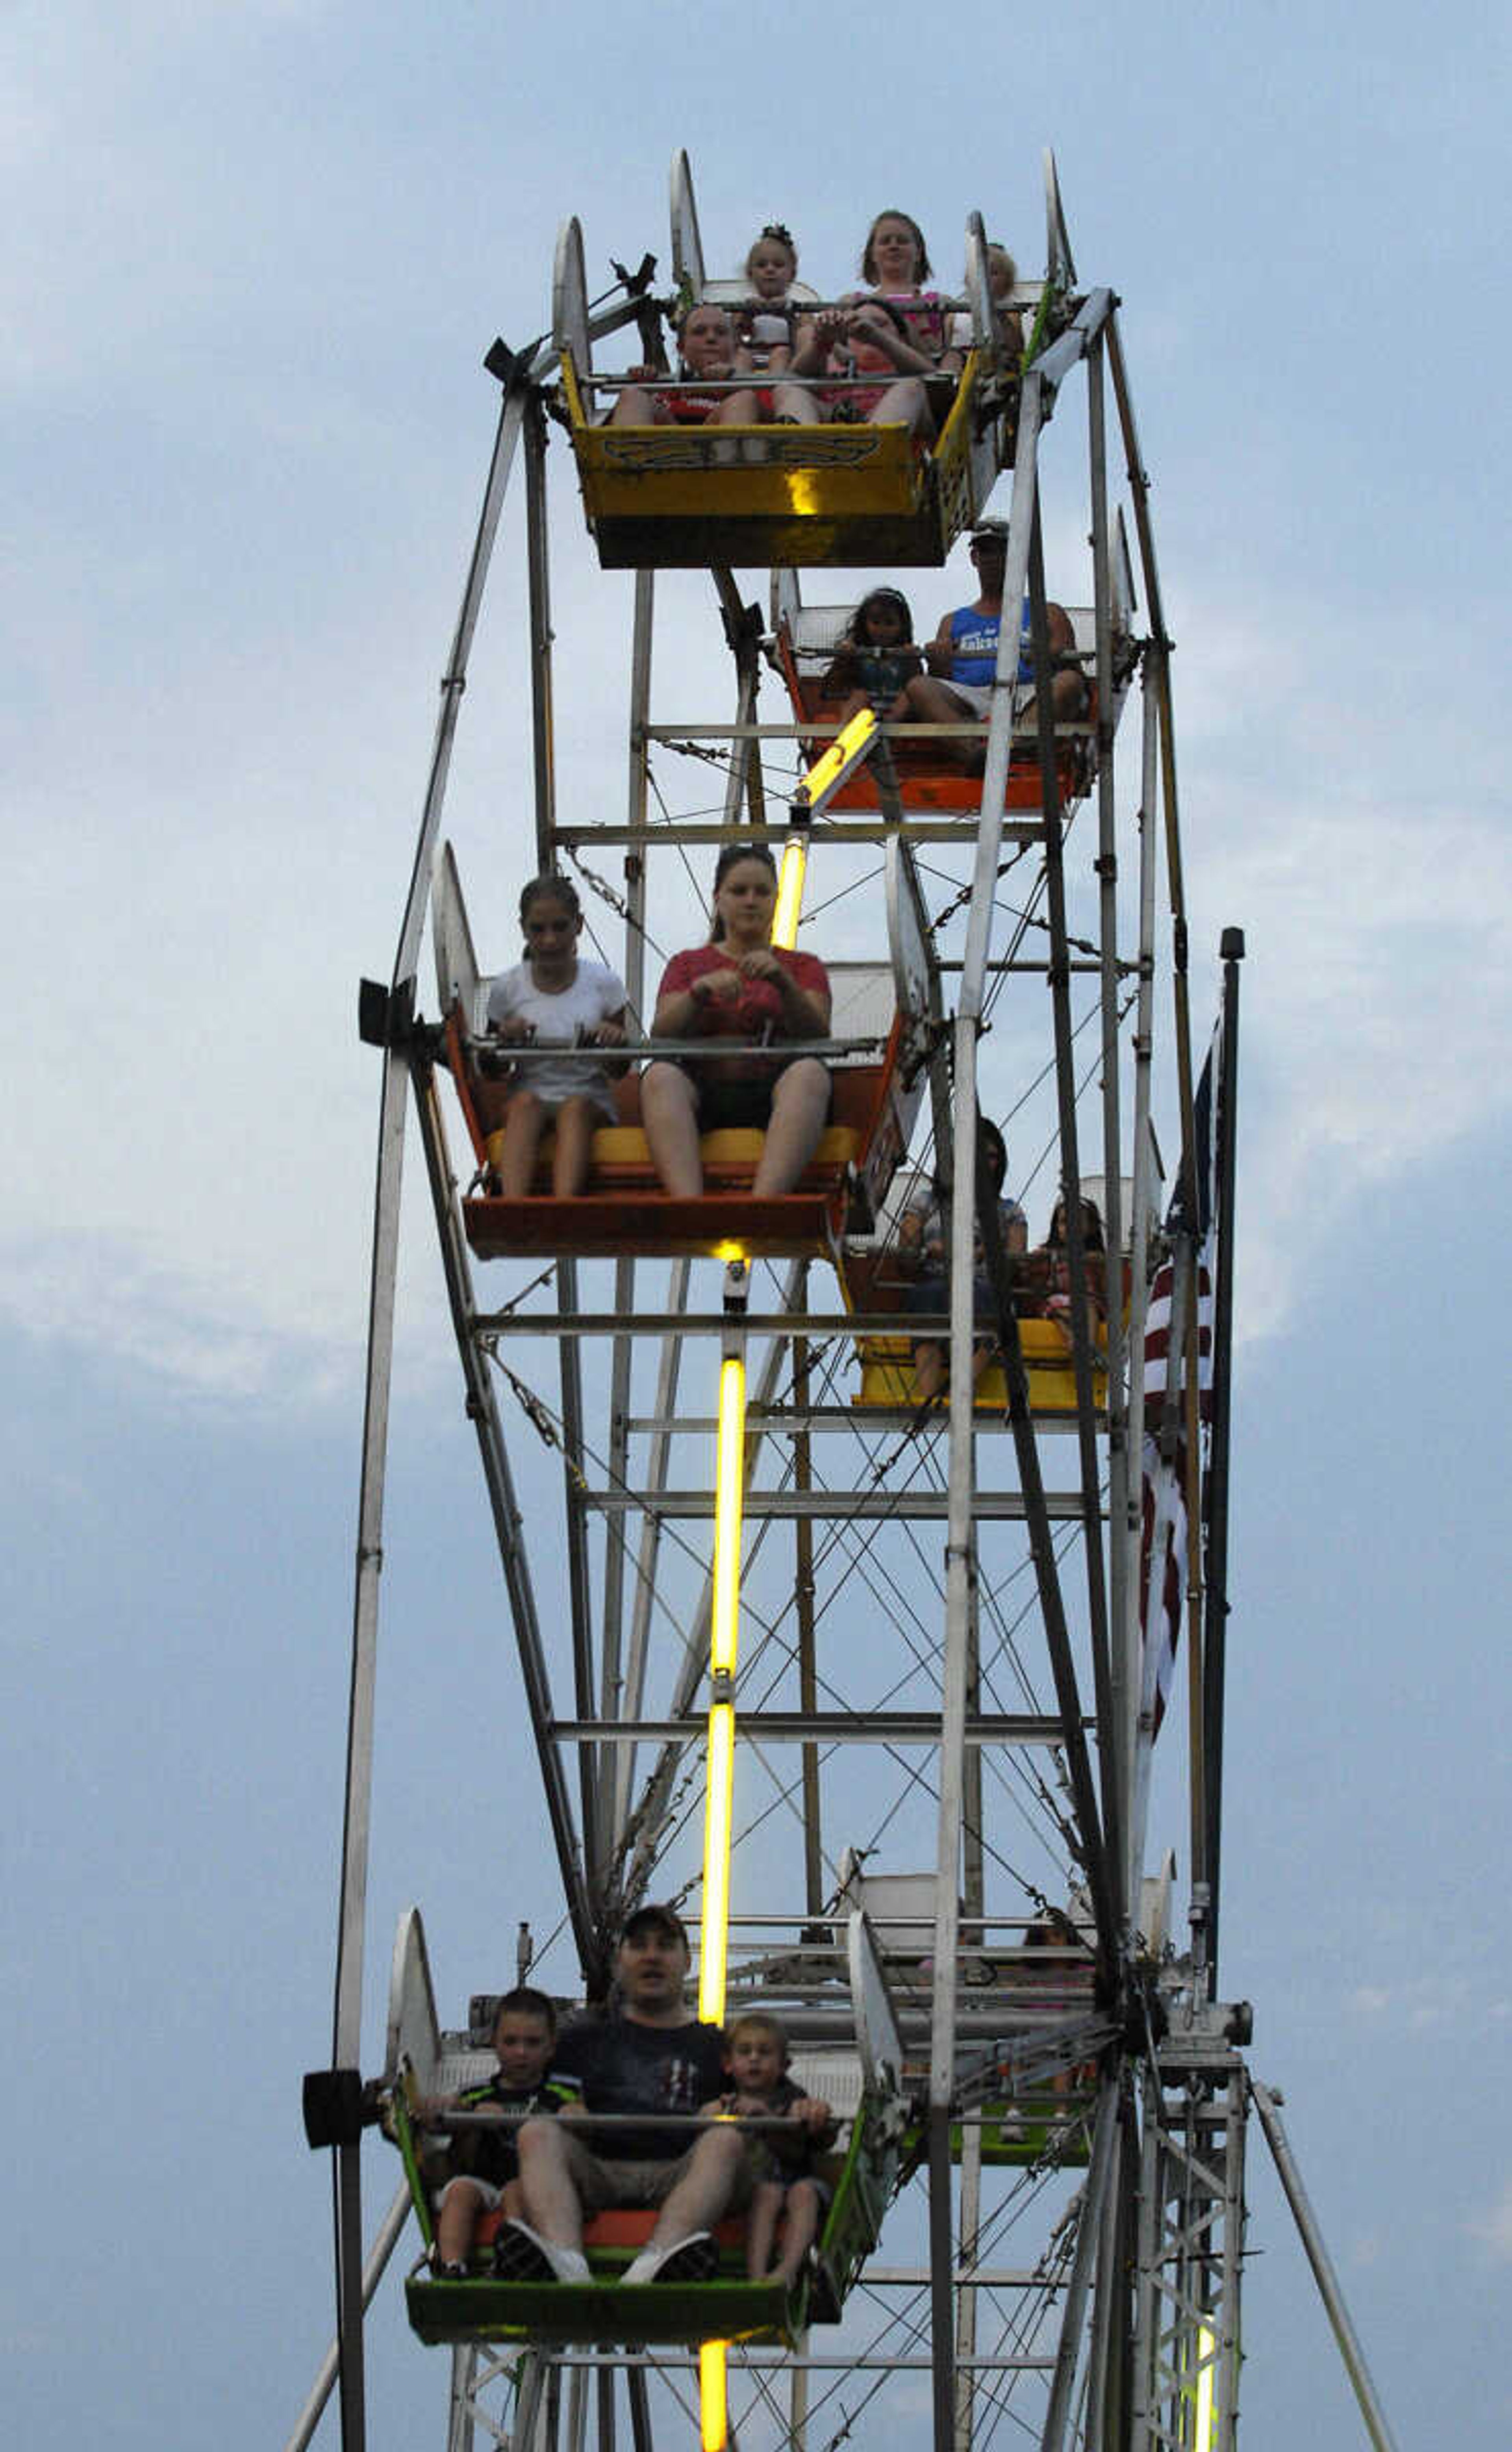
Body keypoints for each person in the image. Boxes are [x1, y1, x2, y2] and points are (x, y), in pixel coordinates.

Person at [495, 1904, 749, 2286]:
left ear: (687, 1961)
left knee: (726, 2139)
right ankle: (566, 2259)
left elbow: (763, 2104)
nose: (652, 1956)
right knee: (538, 2133)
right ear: (619, 1962)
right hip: (599, 2169)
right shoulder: (581, 2039)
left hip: (679, 2173)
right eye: (639, 1945)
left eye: (665, 1946)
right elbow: (523, 2090)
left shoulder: (717, 2046)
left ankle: (660, 2258)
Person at [641, 845, 832, 1199]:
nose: (750, 901)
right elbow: (662, 1033)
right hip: (702, 1091)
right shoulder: (687, 965)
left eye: (762, 892)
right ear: (719, 899)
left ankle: (764, 1205)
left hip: (774, 1091)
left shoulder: (803, 967)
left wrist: (784, 983)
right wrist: (698, 993)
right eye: (739, 891)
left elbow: (818, 1031)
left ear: (776, 899)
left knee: (810, 1072)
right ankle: (688, 1205)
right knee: (660, 1075)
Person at [891, 522, 1088, 772]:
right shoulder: (953, 621)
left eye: (1001, 551)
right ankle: (973, 752)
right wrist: (939, 662)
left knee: (1069, 682)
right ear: (975, 558)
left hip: (1029, 695)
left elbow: (1072, 668)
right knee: (918, 686)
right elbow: (942, 681)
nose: (994, 559)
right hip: (973, 698)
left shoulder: (1047, 612)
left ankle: (1012, 749)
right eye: (986, 551)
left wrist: (1048, 655)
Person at [484, 875, 629, 1197]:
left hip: (589, 1096)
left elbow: (621, 1069)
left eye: (560, 927)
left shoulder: (604, 984)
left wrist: (611, 1040)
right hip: (529, 1092)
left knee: (575, 1107)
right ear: (524, 928)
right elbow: (490, 1068)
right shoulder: (507, 988)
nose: (550, 940)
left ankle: (564, 1205)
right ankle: (514, 1205)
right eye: (538, 929)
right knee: (525, 1104)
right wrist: (506, 1039)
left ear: (579, 925)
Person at [417, 1988, 576, 2278]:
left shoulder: (560, 2092)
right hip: (482, 2176)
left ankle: (512, 2258)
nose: (521, 2052)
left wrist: (568, 2116)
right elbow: (450, 2112)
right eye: (511, 2042)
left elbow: (580, 2116)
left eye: (533, 2043)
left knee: (518, 2192)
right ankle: (452, 2264)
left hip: (528, 2181)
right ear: (494, 2043)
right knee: (461, 2191)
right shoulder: (477, 2093)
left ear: (551, 2046)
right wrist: (455, 2111)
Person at [699, 2011, 835, 2287]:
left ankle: (788, 2269)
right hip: (756, 2188)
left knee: (805, 2193)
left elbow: (799, 2144)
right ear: (728, 2063)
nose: (754, 2059)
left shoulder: (794, 2099)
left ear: (784, 2065)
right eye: (745, 2051)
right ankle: (757, 2275)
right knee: (767, 2194)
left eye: (764, 2052)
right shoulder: (726, 2101)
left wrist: (766, 2115)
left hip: (797, 2178)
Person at [898, 1119, 1027, 1404]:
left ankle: (961, 1389)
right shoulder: (926, 1201)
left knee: (988, 1299)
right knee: (927, 1296)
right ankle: (929, 1395)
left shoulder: (1009, 1211)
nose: (984, 1163)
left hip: (985, 1284)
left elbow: (1015, 1262)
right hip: (936, 1281)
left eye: (992, 1156)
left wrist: (978, 1253)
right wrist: (920, 1241)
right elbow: (906, 1252)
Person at [786, 295, 938, 436]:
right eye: (854, 325)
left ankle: (872, 451)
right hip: (828, 432)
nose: (864, 328)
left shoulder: (911, 368)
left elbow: (934, 380)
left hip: (889, 443)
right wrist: (822, 341)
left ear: (901, 337)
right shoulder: (832, 363)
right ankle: (807, 449)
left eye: (880, 324)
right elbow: (796, 378)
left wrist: (876, 337)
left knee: (911, 386)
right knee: (789, 390)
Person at [610, 303, 760, 429]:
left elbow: (769, 414)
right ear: (681, 347)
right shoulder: (664, 392)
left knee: (743, 401)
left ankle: (730, 458)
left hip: (721, 445)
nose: (711, 338)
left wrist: (734, 385)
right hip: (670, 444)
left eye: (721, 332)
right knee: (633, 395)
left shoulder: (755, 389)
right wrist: (643, 382)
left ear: (734, 346)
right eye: (700, 332)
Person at [820, 586, 922, 725]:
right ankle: (843, 736)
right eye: (876, 623)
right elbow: (833, 686)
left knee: (909, 696)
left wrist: (913, 660)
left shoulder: (905, 654)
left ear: (902, 626)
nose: (882, 629)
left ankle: (885, 727)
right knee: (858, 696)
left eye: (889, 623)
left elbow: (917, 682)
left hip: (900, 712)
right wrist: (844, 659)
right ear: (865, 624)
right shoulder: (857, 652)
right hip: (865, 709)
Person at [1038, 1194, 1109, 1343]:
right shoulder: (1051, 1254)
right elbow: (1033, 1273)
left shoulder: (1094, 1256)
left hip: (1087, 1300)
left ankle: (1088, 1347)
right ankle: (1074, 1344)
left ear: (1091, 1227)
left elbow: (1105, 1279)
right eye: (1064, 1222)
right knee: (1060, 1311)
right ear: (1057, 1227)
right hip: (1057, 1300)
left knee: (1090, 1309)